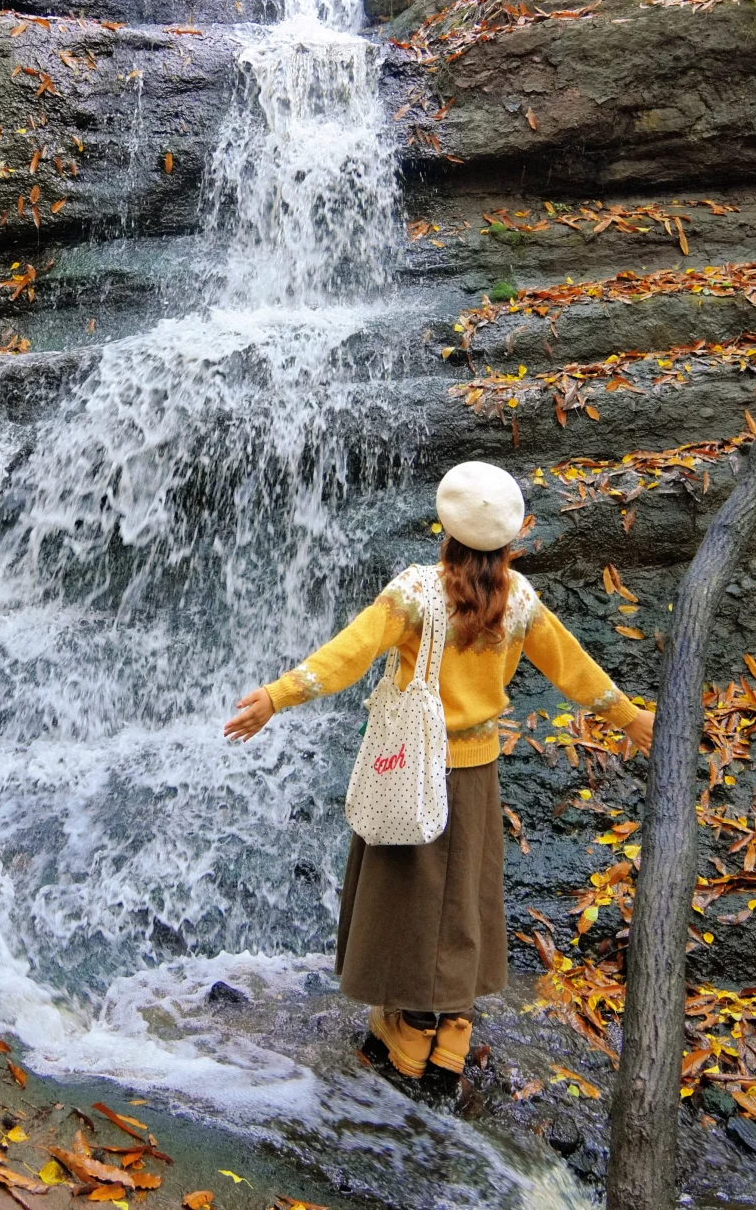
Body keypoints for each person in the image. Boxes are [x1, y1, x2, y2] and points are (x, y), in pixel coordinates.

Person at [224, 460, 654, 1087]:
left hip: (409, 768)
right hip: (476, 775)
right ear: (511, 539)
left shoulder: (416, 594)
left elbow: (350, 653)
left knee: (409, 899)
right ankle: (453, 1031)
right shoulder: (519, 600)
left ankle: (410, 1031)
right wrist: (630, 717)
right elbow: (573, 668)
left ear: (447, 530)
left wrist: (276, 696)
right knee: (463, 897)